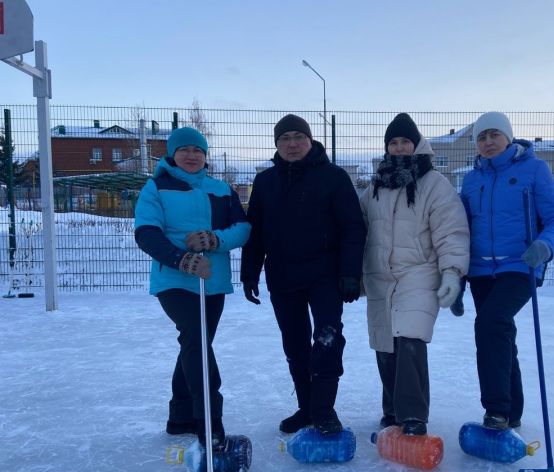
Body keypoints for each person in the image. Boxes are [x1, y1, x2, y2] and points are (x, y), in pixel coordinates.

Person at [240, 114, 366, 436]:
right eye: (284, 138)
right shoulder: (266, 182)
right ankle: (306, 409)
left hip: (325, 276)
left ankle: (324, 410)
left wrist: (350, 272)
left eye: (298, 137)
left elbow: (353, 227)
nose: (292, 144)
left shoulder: (334, 177)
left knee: (327, 338)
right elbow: (255, 231)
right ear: (276, 145)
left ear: (310, 141)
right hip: (283, 277)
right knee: (294, 345)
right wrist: (249, 272)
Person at [134, 126, 251, 446]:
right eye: (184, 150)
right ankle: (209, 421)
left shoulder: (221, 189)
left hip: (211, 282)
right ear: (172, 154)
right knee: (197, 341)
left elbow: (242, 229)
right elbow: (146, 233)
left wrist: (215, 240)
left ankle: (180, 416)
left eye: (197, 150)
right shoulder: (156, 187)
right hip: (174, 280)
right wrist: (181, 259)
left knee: (194, 343)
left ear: (205, 156)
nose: (191, 155)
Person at [460, 112, 554, 430]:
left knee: (491, 323)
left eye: (494, 134)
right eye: (481, 137)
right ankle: (513, 410)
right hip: (480, 270)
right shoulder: (471, 179)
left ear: (508, 137)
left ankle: (496, 410)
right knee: (499, 332)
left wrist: (545, 245)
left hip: (520, 265)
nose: (488, 142)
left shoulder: (534, 169)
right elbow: (464, 227)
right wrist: (456, 273)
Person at [360, 113, 469, 436]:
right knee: (385, 344)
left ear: (417, 144)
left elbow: (451, 232)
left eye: (405, 141)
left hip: (419, 272)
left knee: (410, 339)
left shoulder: (435, 184)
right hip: (381, 275)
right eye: (393, 142)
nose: (399, 147)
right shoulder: (375, 186)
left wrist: (452, 273)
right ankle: (392, 409)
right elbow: (357, 228)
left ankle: (413, 416)